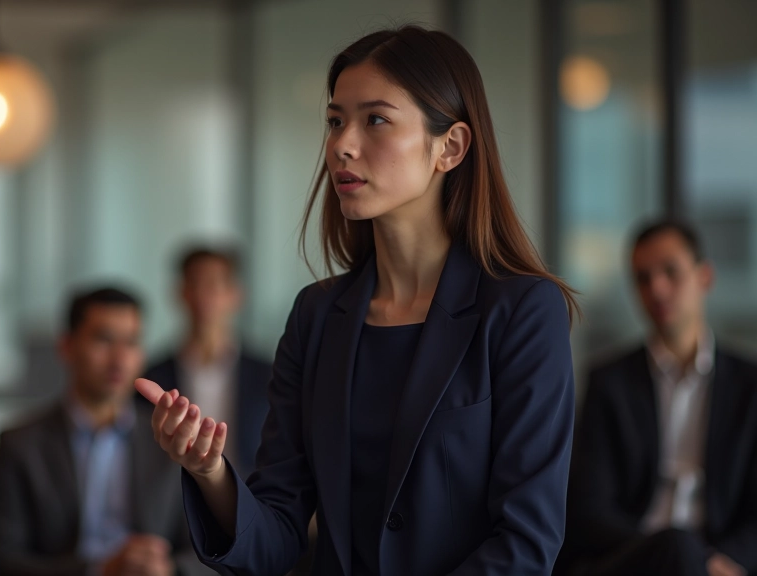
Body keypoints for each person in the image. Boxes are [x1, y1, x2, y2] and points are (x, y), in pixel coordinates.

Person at [137, 24, 577, 576]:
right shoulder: (316, 316)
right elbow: (275, 540)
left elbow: (525, 542)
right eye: (335, 120)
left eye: (376, 120)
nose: (342, 144)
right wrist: (209, 471)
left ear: (451, 147)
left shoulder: (522, 310)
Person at [560, 221, 757, 576]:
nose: (658, 288)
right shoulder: (609, 383)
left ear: (705, 277)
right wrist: (670, 554)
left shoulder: (750, 385)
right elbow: (589, 507)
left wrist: (716, 561)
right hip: (635, 556)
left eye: (671, 272)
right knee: (677, 547)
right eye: (643, 278)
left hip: (720, 562)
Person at [0, 288, 211, 576]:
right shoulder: (22, 445)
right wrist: (100, 570)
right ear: (66, 346)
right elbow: (0, 561)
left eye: (131, 342)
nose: (119, 359)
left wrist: (169, 569)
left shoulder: (168, 442)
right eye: (104, 340)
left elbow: (209, 550)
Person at [144, 247, 271, 477]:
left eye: (214, 285)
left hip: (251, 500)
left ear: (236, 294)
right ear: (181, 293)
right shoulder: (154, 376)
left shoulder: (268, 375)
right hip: (178, 505)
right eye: (195, 284)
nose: (203, 295)